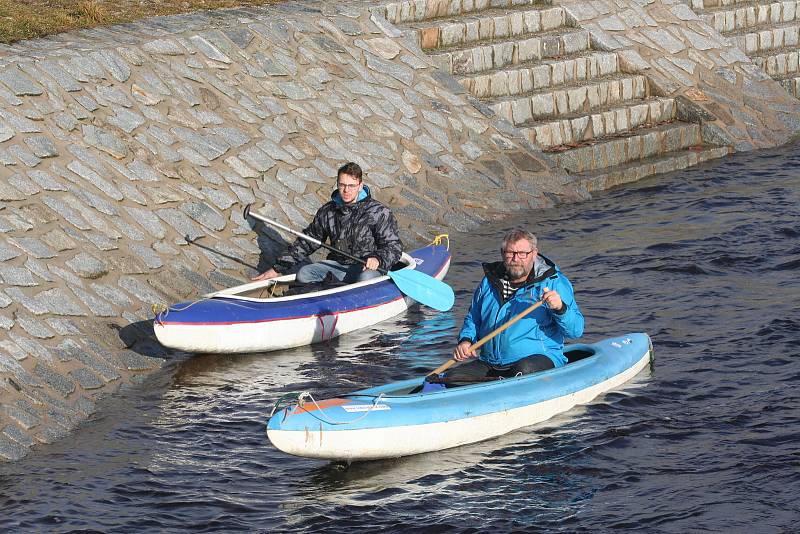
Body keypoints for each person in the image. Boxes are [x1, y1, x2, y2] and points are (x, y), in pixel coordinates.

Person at [440, 228, 584, 386]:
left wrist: (560, 308)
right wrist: (466, 341)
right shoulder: (489, 282)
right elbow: (474, 318)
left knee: (522, 371)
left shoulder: (553, 282)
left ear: (534, 253)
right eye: (510, 253)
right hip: (492, 363)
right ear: (503, 254)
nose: (516, 259)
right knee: (452, 378)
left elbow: (576, 330)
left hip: (538, 360)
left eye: (522, 253)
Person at [251, 162, 403, 284]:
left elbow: (394, 247)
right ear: (337, 184)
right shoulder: (328, 211)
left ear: (360, 186)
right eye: (342, 185)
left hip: (366, 269)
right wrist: (277, 269)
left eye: (351, 186)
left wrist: (378, 258)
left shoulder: (379, 212)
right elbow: (307, 242)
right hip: (339, 266)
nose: (346, 190)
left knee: (364, 280)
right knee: (304, 274)